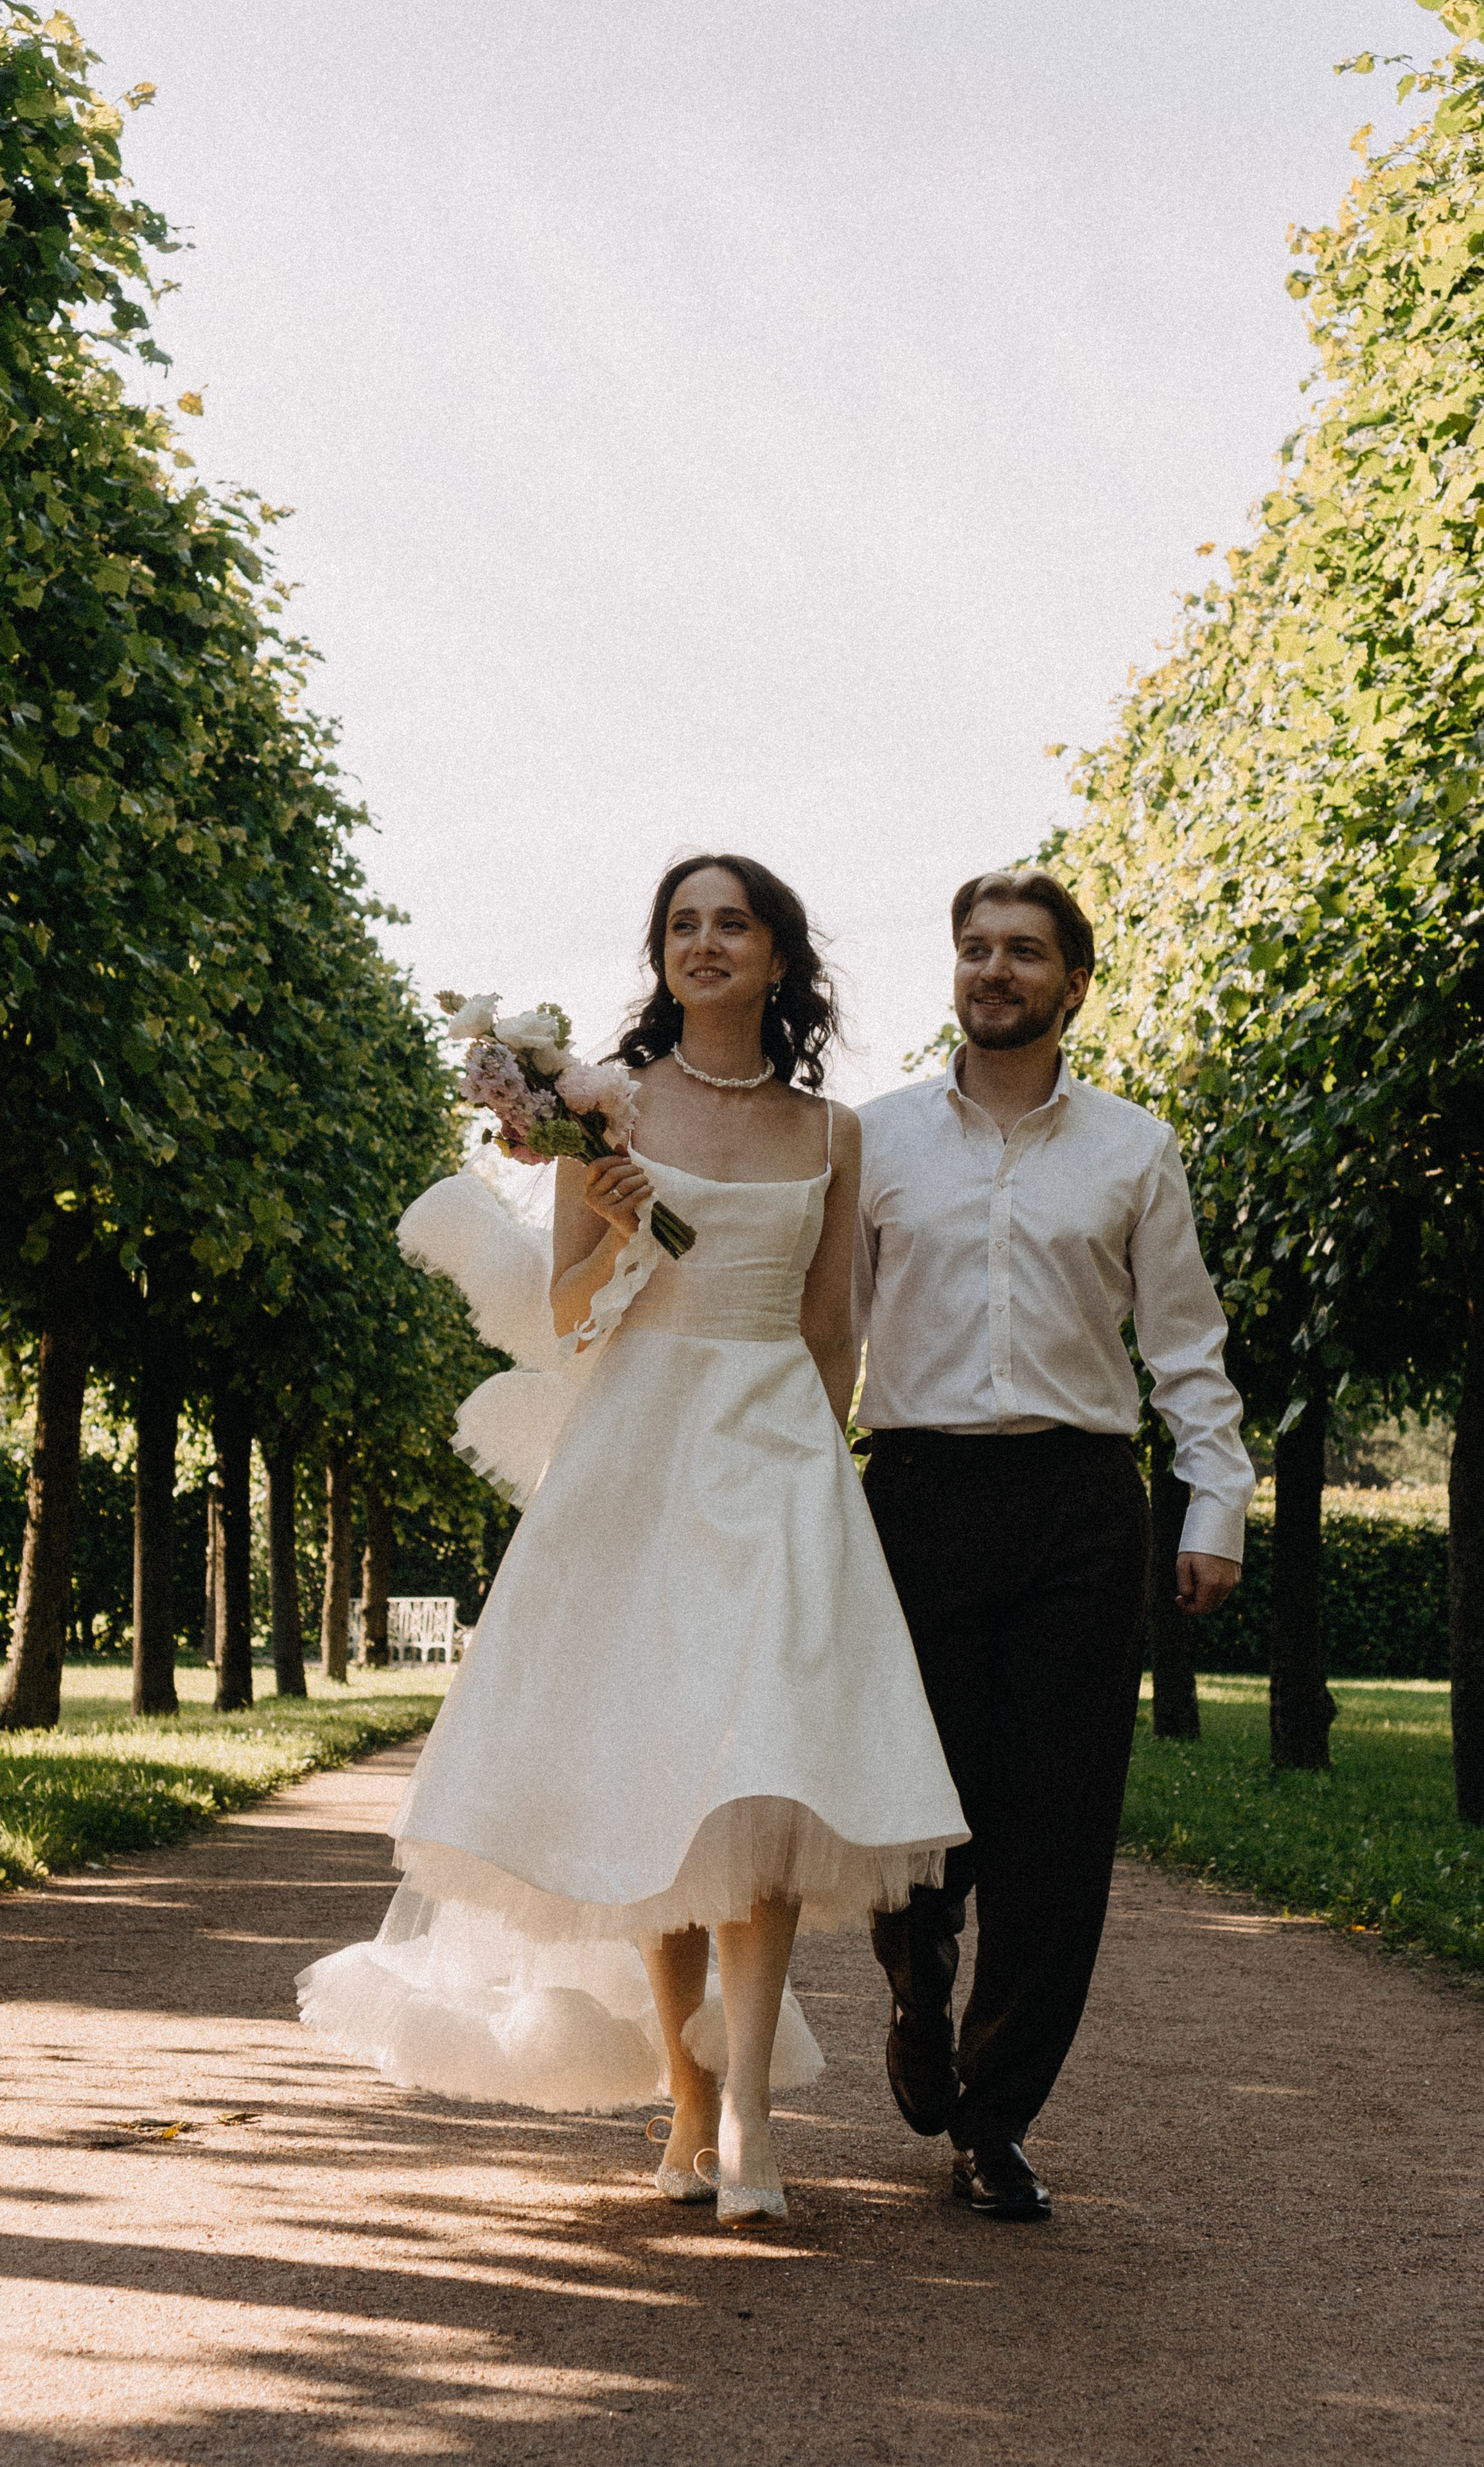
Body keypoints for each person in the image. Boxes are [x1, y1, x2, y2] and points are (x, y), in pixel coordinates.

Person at [299, 856, 966, 2227]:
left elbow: (833, 1330)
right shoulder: (599, 1109)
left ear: (779, 958)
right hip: (640, 1453)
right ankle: (687, 2100)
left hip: (776, 1462)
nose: (704, 944)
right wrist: (606, 1236)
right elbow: (561, 1318)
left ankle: (759, 2129)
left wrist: (817, 1473)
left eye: (732, 924)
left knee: (766, 1777)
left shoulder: (835, 1134)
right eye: (682, 926)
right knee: (659, 1773)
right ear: (658, 955)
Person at [853, 868, 1254, 2222]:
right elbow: (822, 1336)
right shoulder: (876, 1142)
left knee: (1055, 1824)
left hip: (1080, 1505)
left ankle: (995, 2114)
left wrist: (1215, 1511)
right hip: (909, 1496)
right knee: (911, 1805)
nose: (993, 971)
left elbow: (1187, 1350)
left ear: (1073, 982)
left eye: (1023, 952)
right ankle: (916, 1978)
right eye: (973, 949)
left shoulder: (1133, 1151)